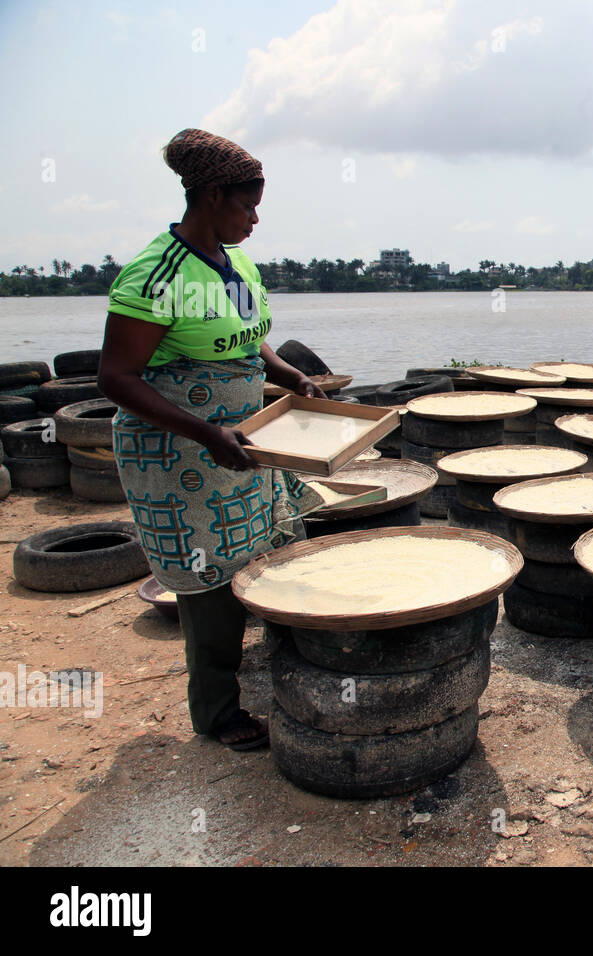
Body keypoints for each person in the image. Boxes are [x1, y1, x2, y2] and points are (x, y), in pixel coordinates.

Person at [98, 128, 326, 750]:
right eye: (246, 205)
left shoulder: (237, 262)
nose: (255, 219)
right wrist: (204, 431)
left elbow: (249, 339)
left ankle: (260, 671)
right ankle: (217, 713)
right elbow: (115, 376)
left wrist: (288, 374)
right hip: (180, 451)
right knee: (209, 582)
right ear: (211, 195)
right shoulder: (154, 275)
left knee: (263, 550)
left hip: (241, 441)